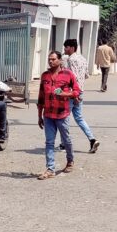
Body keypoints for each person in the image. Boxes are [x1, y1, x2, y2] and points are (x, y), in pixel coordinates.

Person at [37, 51, 80, 180]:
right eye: (49, 59)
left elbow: (76, 91)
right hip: (48, 115)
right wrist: (39, 115)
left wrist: (65, 94)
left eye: (53, 59)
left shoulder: (68, 74)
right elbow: (41, 97)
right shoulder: (45, 75)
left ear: (60, 60)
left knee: (66, 140)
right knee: (49, 142)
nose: (50, 61)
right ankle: (50, 169)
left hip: (62, 114)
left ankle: (70, 161)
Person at [63, 39, 99, 154]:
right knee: (79, 118)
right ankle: (92, 139)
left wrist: (74, 94)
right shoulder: (83, 59)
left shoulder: (70, 59)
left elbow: (73, 78)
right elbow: (86, 75)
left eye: (66, 47)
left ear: (72, 48)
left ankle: (65, 142)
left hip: (72, 93)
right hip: (80, 91)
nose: (65, 49)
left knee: (64, 117)